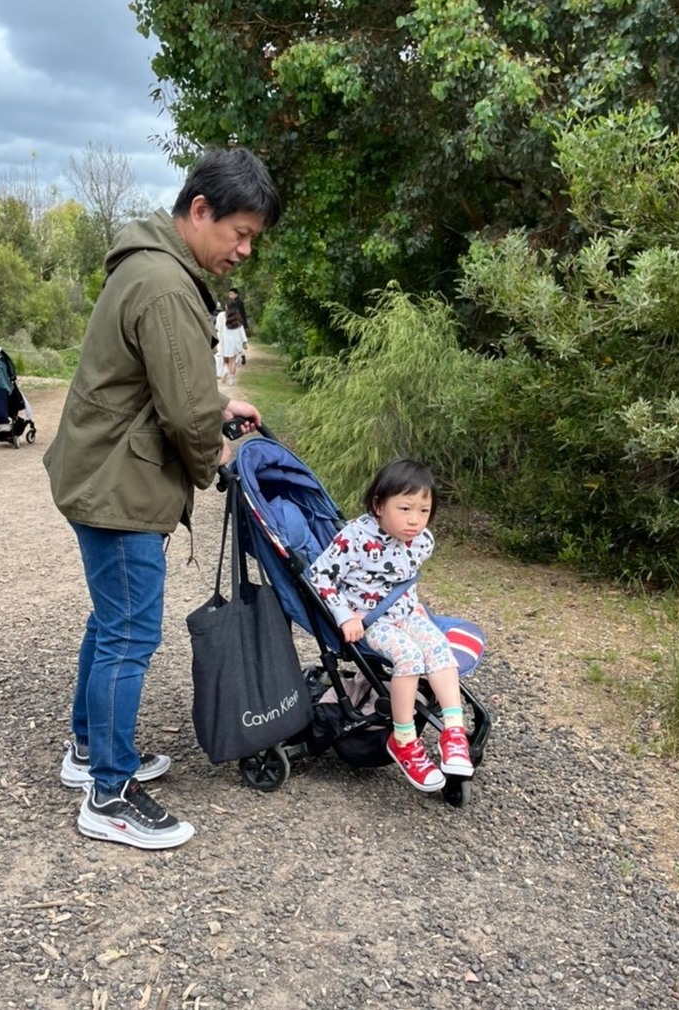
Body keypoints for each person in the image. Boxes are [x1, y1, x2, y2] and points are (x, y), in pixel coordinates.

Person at [43, 147, 281, 850]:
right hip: (119, 483)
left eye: (252, 240)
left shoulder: (150, 266)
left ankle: (88, 750)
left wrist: (217, 404)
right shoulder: (166, 285)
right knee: (129, 634)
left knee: (110, 620)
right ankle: (109, 793)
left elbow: (168, 385)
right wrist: (217, 450)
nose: (243, 250)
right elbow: (181, 411)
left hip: (104, 473)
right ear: (199, 210)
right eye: (239, 232)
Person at [308, 459, 473, 792]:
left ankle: (453, 732)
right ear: (378, 506)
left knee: (438, 646)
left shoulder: (421, 541)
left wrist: (417, 606)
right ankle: (404, 740)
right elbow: (320, 575)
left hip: (406, 615)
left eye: (424, 510)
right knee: (410, 656)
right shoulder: (354, 537)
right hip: (369, 621)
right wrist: (344, 615)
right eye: (405, 508)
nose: (414, 520)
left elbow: (403, 577)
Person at [215, 301, 247, 384]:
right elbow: (241, 330)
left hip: (225, 341)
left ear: (227, 306)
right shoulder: (237, 316)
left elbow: (217, 327)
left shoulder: (221, 315)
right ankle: (231, 379)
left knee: (226, 360)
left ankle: (225, 370)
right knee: (233, 360)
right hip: (236, 342)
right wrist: (244, 342)